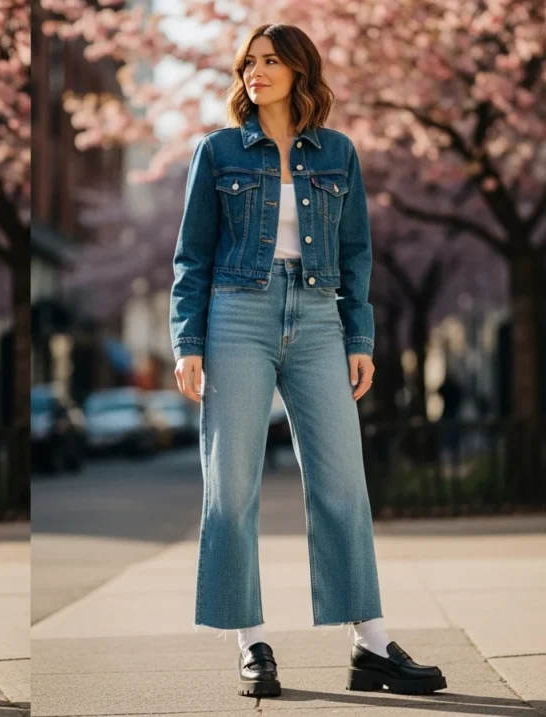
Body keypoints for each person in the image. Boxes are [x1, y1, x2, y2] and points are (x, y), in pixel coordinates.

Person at [169, 23, 446, 699]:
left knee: (344, 483)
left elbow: (356, 255)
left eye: (271, 60)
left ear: (300, 70)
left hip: (320, 317)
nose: (256, 71)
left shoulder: (338, 154)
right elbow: (191, 256)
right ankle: (251, 641)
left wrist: (360, 337)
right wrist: (188, 340)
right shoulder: (220, 152)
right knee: (232, 487)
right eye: (249, 62)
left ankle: (371, 641)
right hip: (238, 312)